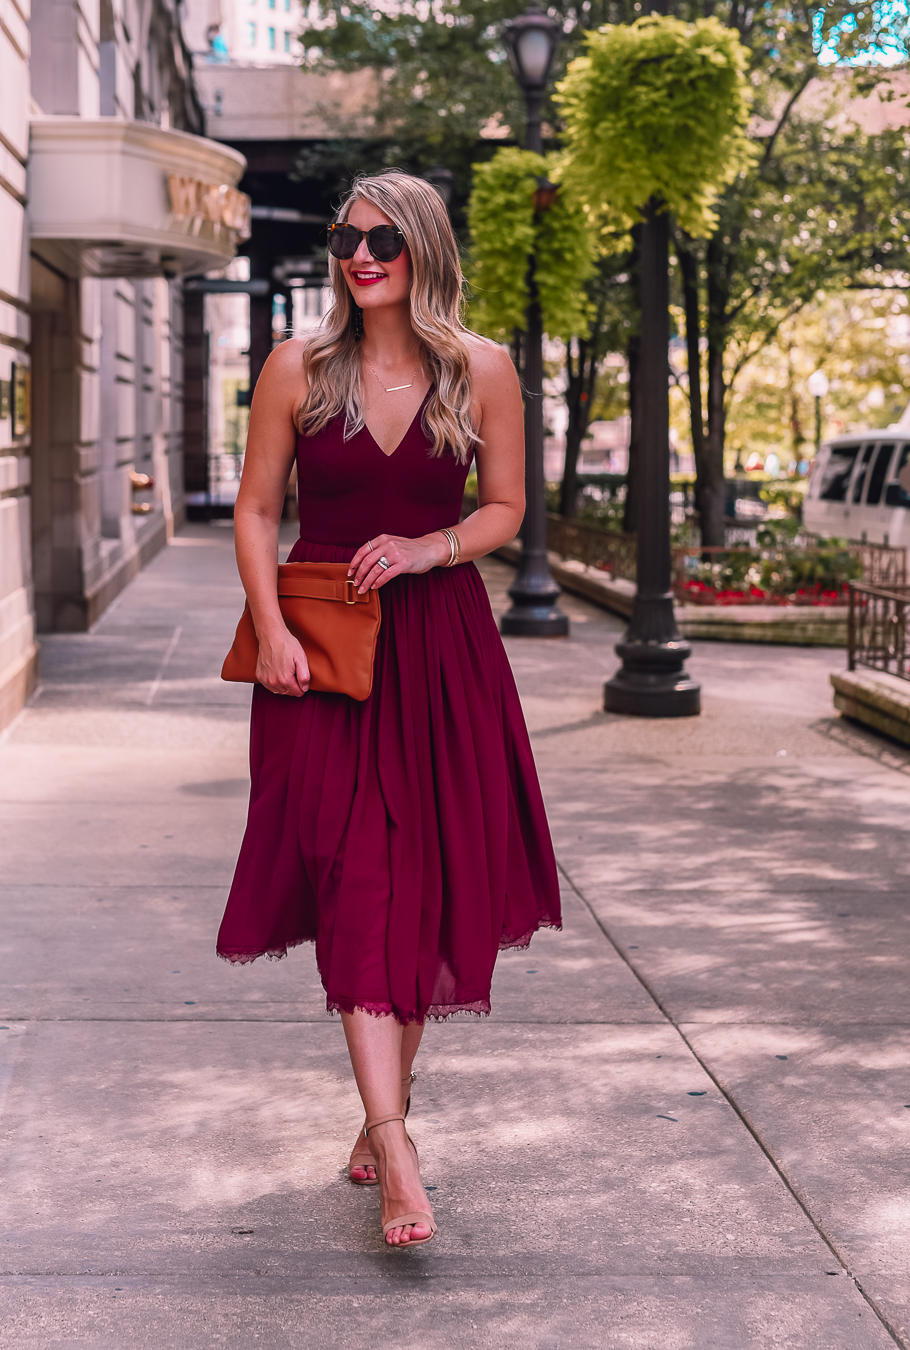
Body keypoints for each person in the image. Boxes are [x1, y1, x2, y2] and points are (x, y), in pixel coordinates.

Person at [216, 170, 560, 1249]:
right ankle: (400, 1148)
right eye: (344, 237)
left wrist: (428, 546)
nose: (359, 255)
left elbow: (505, 506)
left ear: (422, 249)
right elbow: (258, 506)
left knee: (426, 885)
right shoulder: (298, 368)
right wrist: (268, 628)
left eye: (381, 239)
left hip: (444, 653)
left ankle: (379, 1116)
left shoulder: (483, 369)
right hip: (320, 656)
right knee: (361, 879)